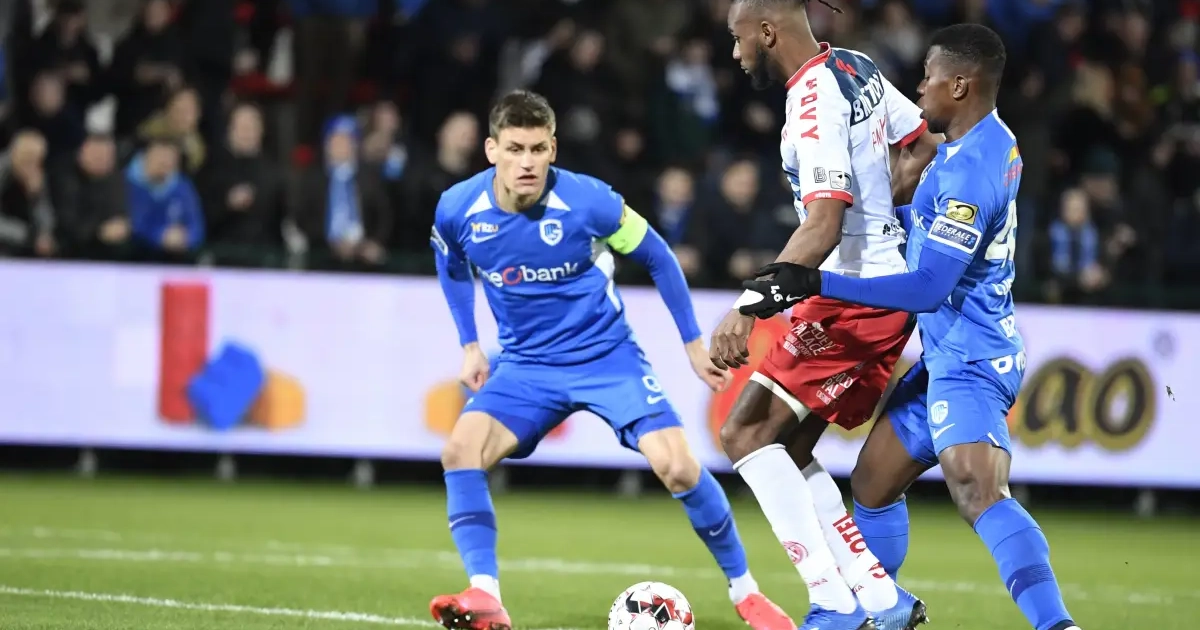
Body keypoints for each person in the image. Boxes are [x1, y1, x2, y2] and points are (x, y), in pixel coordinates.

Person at [738, 24, 1082, 630]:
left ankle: (1056, 625)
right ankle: (882, 610)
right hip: (941, 356)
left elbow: (927, 288)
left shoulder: (971, 173)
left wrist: (817, 281)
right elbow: (924, 229)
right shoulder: (978, 144)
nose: (919, 87)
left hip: (973, 360)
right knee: (872, 483)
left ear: (960, 85)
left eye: (928, 77)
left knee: (977, 489)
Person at [428, 90, 796, 630]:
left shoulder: (590, 201)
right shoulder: (458, 208)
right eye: (515, 149)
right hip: (527, 365)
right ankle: (485, 594)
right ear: (491, 150)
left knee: (678, 467)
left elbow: (658, 255)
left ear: (553, 149)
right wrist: (469, 344)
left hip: (607, 357)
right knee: (460, 451)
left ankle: (747, 594)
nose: (527, 162)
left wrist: (692, 343)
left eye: (537, 149)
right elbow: (451, 264)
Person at [714, 1, 939, 629]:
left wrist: (747, 307)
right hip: (873, 289)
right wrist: (886, 214)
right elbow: (922, 141)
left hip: (854, 297)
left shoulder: (812, 103)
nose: (736, 54)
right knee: (785, 446)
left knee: (744, 435)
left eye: (738, 39)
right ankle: (880, 598)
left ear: (766, 32)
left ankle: (834, 605)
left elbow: (823, 224)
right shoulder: (854, 65)